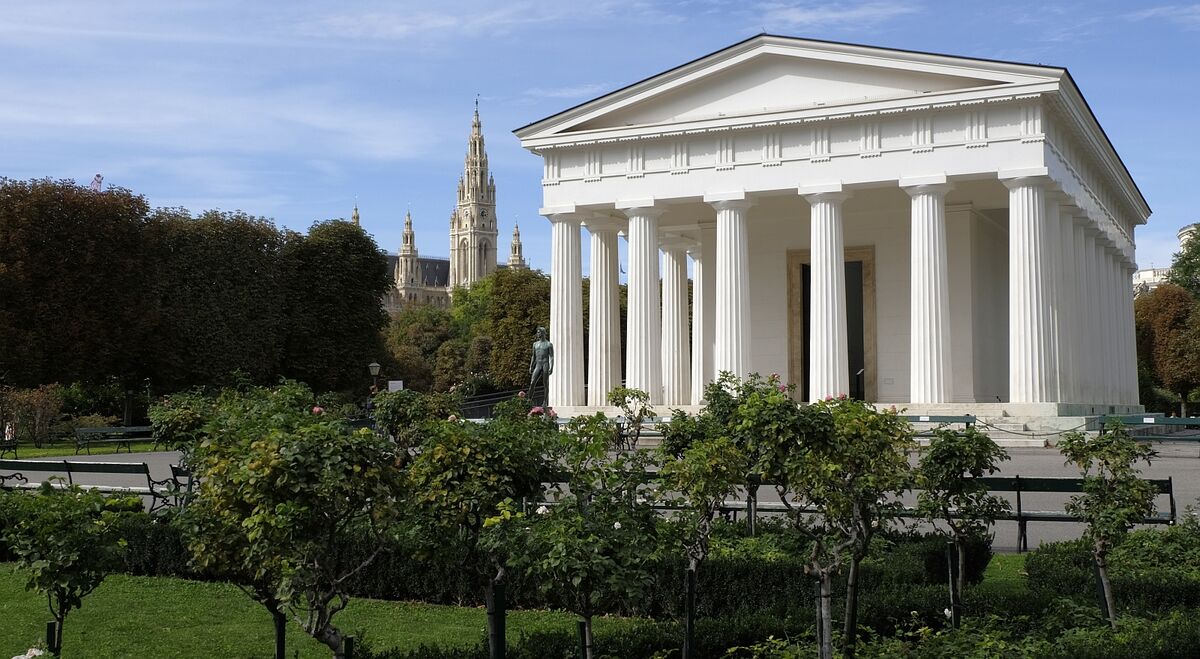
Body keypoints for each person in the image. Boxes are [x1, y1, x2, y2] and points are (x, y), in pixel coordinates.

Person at [528, 326, 554, 407]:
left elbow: (551, 357)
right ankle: (529, 400)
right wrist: (531, 366)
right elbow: (533, 356)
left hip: (545, 364)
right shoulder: (535, 344)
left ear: (543, 333)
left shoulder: (549, 344)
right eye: (537, 332)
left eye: (539, 332)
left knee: (545, 383)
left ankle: (545, 401)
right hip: (538, 364)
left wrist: (551, 367)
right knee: (532, 382)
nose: (537, 334)